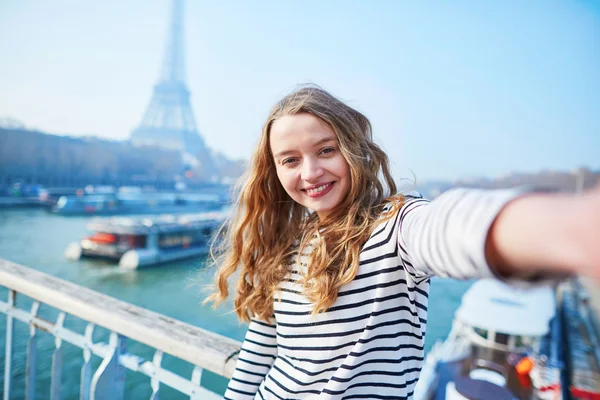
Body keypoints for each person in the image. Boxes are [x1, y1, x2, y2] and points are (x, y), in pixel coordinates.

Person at [206, 85, 600, 400]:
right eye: (290, 160)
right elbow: (260, 354)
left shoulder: (394, 227)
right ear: (274, 171)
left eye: (326, 150)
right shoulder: (282, 246)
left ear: (353, 150)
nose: (310, 171)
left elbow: (448, 229)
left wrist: (568, 228)